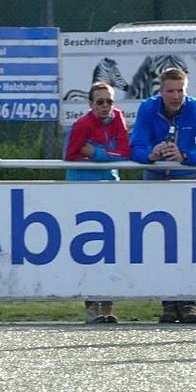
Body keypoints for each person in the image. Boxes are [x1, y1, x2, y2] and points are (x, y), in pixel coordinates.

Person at [131, 67, 196, 324]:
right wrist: (151, 154)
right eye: (170, 91)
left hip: (186, 180)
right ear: (160, 91)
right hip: (155, 180)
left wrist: (185, 156)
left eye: (180, 90)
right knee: (159, 242)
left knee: (190, 242)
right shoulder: (148, 108)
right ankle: (168, 303)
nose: (176, 96)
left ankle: (188, 303)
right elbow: (135, 147)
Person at [64, 81, 131, 324]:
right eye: (100, 102)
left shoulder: (118, 118)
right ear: (90, 104)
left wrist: (95, 153)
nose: (105, 106)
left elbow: (125, 152)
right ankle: (92, 306)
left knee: (111, 248)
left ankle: (108, 306)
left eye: (109, 101)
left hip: (109, 186)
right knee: (89, 248)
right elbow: (70, 154)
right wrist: (104, 155)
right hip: (84, 188)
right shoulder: (82, 125)